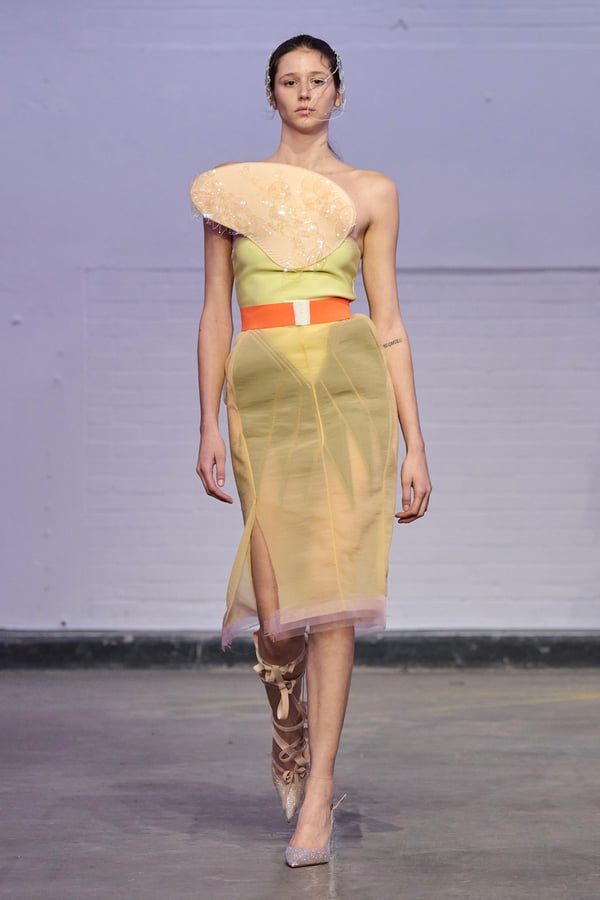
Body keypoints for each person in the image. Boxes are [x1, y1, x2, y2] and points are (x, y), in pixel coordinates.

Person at [191, 34, 432, 867]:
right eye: (289, 81)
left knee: (334, 598)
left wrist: (415, 442)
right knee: (278, 614)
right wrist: (206, 421)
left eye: (317, 80)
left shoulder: (371, 191)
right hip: (261, 393)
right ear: (272, 95)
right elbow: (215, 311)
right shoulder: (232, 193)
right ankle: (287, 724)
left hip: (348, 384)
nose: (303, 92)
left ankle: (318, 793)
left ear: (338, 94)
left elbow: (388, 320)